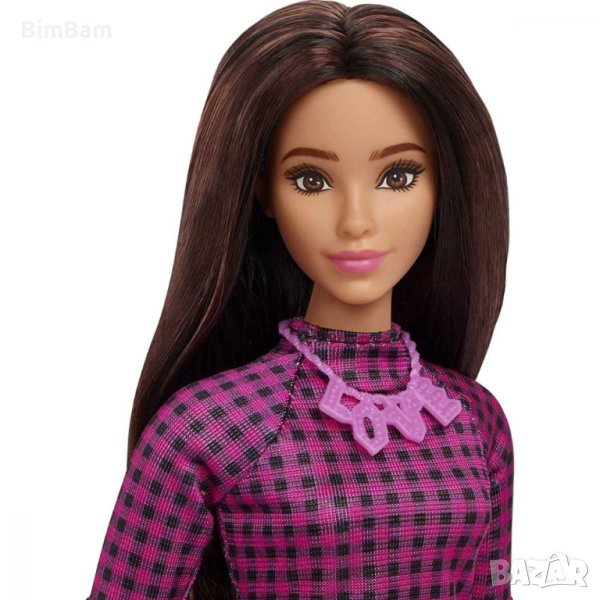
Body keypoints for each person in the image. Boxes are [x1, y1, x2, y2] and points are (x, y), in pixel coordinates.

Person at [86, 1, 513, 598]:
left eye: (398, 176)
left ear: (445, 186)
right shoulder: (208, 428)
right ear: (263, 193)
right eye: (311, 180)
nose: (356, 220)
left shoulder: (475, 421)